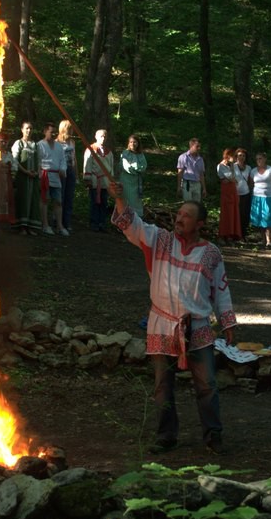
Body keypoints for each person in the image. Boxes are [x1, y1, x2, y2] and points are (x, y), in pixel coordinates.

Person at [108, 179, 237, 455]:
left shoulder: (212, 253)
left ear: (200, 224)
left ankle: (213, 435)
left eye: (186, 216)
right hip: (162, 324)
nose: (179, 219)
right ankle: (166, 435)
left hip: (198, 326)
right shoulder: (161, 240)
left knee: (207, 385)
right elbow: (134, 226)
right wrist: (120, 199)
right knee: (162, 386)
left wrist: (227, 322)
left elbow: (221, 290)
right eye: (178, 214)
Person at [9, 121, 42, 234]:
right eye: (27, 128)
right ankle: (22, 226)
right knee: (22, 199)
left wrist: (36, 172)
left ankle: (30, 226)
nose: (29, 131)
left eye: (31, 128)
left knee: (33, 200)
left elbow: (39, 161)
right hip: (22, 177)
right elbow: (15, 161)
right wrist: (26, 172)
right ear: (22, 130)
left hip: (33, 178)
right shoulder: (19, 143)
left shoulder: (36, 145)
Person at [37, 123, 68, 236]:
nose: (53, 134)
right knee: (44, 200)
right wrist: (40, 175)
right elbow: (38, 162)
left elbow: (63, 160)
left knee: (58, 201)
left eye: (55, 132)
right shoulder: (39, 145)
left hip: (56, 176)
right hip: (45, 175)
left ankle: (60, 226)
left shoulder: (59, 146)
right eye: (51, 132)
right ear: (45, 131)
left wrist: (62, 169)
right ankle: (45, 225)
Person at [83, 129, 114, 232]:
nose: (103, 138)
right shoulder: (90, 149)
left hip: (105, 181)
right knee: (94, 202)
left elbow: (111, 167)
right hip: (95, 179)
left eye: (104, 136)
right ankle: (94, 223)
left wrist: (111, 180)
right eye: (101, 136)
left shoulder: (108, 152)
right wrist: (87, 179)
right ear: (96, 136)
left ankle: (102, 223)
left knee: (103, 202)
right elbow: (87, 164)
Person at [249, 153, 271, 248]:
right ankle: (263, 240)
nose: (259, 160)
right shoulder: (253, 171)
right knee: (259, 219)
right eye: (257, 159)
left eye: (260, 158)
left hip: (269, 197)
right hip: (257, 198)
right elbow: (250, 183)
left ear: (265, 159)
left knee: (268, 218)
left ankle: (269, 240)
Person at [216, 148, 243, 242]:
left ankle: (232, 234)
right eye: (234, 156)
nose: (235, 158)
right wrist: (230, 179)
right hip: (226, 191)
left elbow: (236, 178)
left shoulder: (233, 165)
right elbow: (229, 178)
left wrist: (231, 178)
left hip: (233, 190)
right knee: (226, 212)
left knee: (234, 212)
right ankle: (223, 234)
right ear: (228, 156)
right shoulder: (220, 166)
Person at [119, 135, 148, 219]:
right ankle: (125, 219)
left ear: (138, 143)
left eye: (135, 142)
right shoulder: (125, 153)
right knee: (127, 200)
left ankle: (137, 220)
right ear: (128, 143)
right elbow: (126, 167)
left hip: (136, 181)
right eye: (131, 142)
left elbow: (144, 166)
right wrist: (137, 168)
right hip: (126, 181)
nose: (133, 144)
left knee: (136, 201)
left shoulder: (140, 154)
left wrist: (136, 168)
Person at [58, 120, 78, 233]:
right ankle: (58, 220)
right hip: (61, 171)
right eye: (70, 129)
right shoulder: (57, 142)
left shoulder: (72, 142)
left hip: (70, 170)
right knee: (60, 196)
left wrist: (76, 172)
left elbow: (74, 158)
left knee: (69, 196)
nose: (71, 131)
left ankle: (67, 221)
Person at [177, 138, 206, 203]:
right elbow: (180, 173)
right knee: (188, 203)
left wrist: (204, 188)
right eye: (197, 146)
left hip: (197, 184)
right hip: (187, 183)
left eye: (200, 146)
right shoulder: (183, 157)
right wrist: (179, 187)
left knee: (196, 205)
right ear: (191, 146)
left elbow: (201, 174)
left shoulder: (200, 159)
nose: (199, 148)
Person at [232, 148, 252, 238]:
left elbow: (249, 180)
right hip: (235, 194)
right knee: (236, 213)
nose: (242, 157)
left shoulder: (248, 168)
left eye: (243, 156)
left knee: (245, 213)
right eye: (240, 155)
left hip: (246, 193)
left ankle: (243, 233)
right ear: (236, 156)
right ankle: (235, 233)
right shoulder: (232, 166)